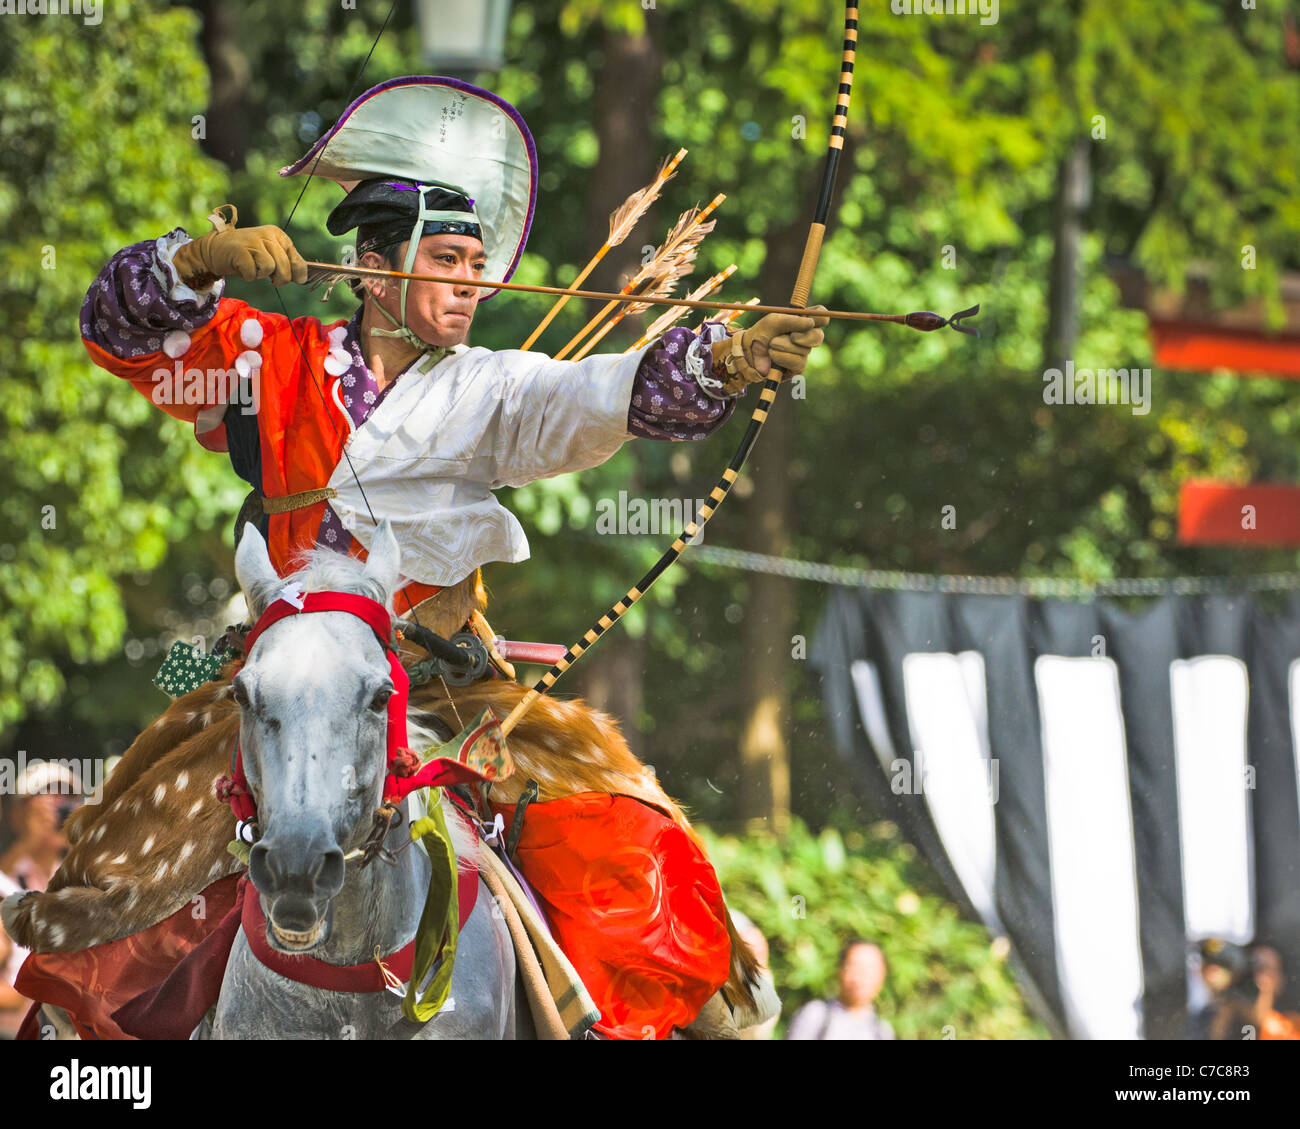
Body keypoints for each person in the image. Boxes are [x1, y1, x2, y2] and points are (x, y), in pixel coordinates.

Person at [25, 76, 824, 1040]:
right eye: (446, 260)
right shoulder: (271, 357)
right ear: (370, 270)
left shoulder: (492, 388)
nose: (472, 286)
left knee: (630, 836)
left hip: (442, 686)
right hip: (285, 685)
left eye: (478, 264)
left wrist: (726, 359)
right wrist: (198, 262)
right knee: (116, 893)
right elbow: (117, 335)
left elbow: (601, 395)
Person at [0, 764, 82, 1037]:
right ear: (17, 813)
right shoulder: (7, 881)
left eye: (70, 797)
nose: (61, 805)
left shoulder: (80, 882)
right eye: (47, 794)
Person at [786, 940, 896, 1040]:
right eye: (855, 967)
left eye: (870, 969)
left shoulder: (883, 1031)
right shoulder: (815, 1015)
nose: (862, 976)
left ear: (882, 975)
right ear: (840, 971)